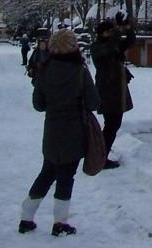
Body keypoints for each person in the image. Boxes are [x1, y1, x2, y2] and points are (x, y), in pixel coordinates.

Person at [19, 28, 100, 237]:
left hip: (53, 129)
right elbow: (93, 102)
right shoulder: (80, 71)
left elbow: (38, 104)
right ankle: (60, 223)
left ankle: (26, 217)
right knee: (66, 176)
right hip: (74, 130)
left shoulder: (45, 70)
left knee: (47, 172)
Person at [91, 14, 135, 169]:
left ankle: (100, 155)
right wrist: (117, 30)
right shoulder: (98, 48)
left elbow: (129, 42)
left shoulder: (112, 45)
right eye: (108, 32)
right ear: (101, 34)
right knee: (111, 125)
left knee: (113, 125)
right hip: (108, 91)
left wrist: (128, 29)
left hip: (117, 90)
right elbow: (109, 48)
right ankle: (99, 157)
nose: (111, 34)